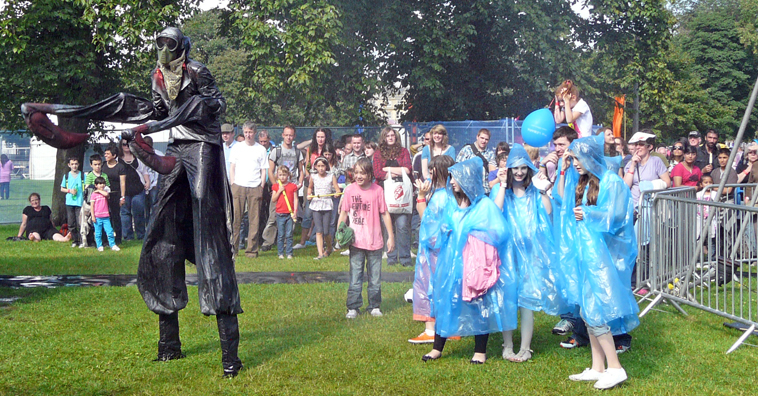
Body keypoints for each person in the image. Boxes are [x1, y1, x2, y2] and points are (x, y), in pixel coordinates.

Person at [556, 135, 639, 390]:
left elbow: (616, 217)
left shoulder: (612, 182)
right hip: (589, 253)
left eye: (578, 158)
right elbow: (562, 200)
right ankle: (597, 367)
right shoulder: (588, 180)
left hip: (605, 257)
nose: (576, 163)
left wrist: (589, 214)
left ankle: (615, 367)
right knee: (587, 310)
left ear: (591, 156)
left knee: (595, 311)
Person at [421, 157, 517, 364]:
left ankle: (480, 351)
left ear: (467, 179)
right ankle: (437, 347)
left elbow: (500, 232)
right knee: (446, 301)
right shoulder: (451, 205)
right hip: (451, 265)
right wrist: (443, 230)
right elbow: (435, 229)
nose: (452, 181)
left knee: (479, 304)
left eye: (455, 178)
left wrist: (475, 233)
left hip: (475, 266)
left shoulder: (484, 206)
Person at [492, 144, 566, 363]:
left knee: (527, 300)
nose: (519, 172)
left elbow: (548, 211)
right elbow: (495, 212)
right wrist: (502, 184)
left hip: (530, 254)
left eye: (523, 168)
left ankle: (525, 348)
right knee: (507, 298)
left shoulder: (534, 192)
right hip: (507, 254)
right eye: (515, 168)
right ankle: (508, 345)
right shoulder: (503, 192)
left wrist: (543, 190)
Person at [409, 154, 458, 344]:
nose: (428, 174)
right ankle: (448, 326)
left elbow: (427, 222)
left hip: (434, 252)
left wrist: (420, 197)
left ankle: (432, 329)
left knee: (430, 287)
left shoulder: (441, 197)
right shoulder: (448, 195)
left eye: (431, 170)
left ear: (438, 172)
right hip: (443, 250)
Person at [338, 158, 395, 318]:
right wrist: (339, 233)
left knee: (375, 278)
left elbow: (384, 213)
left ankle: (374, 305)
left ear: (370, 174)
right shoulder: (349, 190)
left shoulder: (378, 191)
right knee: (355, 276)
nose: (359, 176)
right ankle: (353, 307)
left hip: (375, 241)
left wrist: (390, 236)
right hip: (355, 242)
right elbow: (344, 213)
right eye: (356, 173)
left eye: (362, 173)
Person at [373, 126, 413, 267]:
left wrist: (388, 170)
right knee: (387, 225)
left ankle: (405, 258)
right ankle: (391, 257)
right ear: (384, 138)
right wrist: (398, 171)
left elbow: (408, 170)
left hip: (401, 195)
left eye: (392, 135)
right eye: (387, 135)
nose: (390, 138)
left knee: (402, 225)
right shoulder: (378, 154)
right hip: (384, 193)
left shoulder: (403, 152)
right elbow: (377, 173)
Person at [261, 125, 305, 251]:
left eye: (291, 135)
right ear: (283, 135)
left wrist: (299, 183)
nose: (288, 137)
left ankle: (286, 242)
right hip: (279, 190)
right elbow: (270, 170)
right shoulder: (277, 151)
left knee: (291, 216)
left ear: (294, 136)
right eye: (286, 135)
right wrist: (276, 186)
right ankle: (268, 241)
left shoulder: (297, 152)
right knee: (273, 216)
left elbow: (301, 171)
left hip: (291, 190)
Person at [230, 121, 269, 258]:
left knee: (254, 220)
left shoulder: (261, 149)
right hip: (238, 185)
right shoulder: (237, 147)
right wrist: (233, 183)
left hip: (255, 186)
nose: (248, 135)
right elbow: (232, 167)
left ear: (255, 133)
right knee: (236, 219)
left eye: (250, 132)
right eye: (246, 132)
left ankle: (252, 250)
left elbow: (264, 169)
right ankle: (233, 248)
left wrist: (261, 185)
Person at [294, 128, 332, 250]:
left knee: (323, 213)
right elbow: (306, 165)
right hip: (310, 183)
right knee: (308, 213)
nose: (320, 139)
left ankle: (322, 240)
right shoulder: (311, 150)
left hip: (324, 184)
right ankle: (302, 241)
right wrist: (308, 175)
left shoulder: (328, 149)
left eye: (322, 137)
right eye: (318, 137)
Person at [623, 131, 671, 208]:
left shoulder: (656, 161)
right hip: (633, 206)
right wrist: (633, 165)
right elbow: (626, 186)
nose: (638, 147)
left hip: (651, 206)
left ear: (649, 147)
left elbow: (667, 183)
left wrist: (650, 186)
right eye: (636, 144)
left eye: (641, 144)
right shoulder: (630, 163)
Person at [308, 156, 341, 259]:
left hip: (326, 204)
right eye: (319, 166)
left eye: (323, 166)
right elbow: (310, 187)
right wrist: (309, 194)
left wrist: (336, 193)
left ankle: (329, 247)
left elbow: (337, 189)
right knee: (319, 230)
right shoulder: (313, 177)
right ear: (316, 167)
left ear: (326, 166)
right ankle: (320, 253)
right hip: (316, 203)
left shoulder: (331, 176)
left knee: (326, 231)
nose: (321, 168)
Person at [119, 139, 151, 240]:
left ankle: (141, 235)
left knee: (139, 212)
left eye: (128, 144)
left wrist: (147, 182)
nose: (126, 146)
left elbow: (144, 171)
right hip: (124, 192)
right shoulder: (118, 160)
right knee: (125, 213)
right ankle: (128, 236)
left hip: (138, 190)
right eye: (124, 144)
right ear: (121, 146)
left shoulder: (138, 158)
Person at [456, 128, 497, 194]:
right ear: (477, 137)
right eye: (482, 138)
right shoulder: (466, 150)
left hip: (485, 190)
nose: (484, 141)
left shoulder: (491, 154)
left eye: (486, 139)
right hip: (469, 191)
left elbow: (492, 173)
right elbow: (457, 168)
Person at [101, 144, 126, 245]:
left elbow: (123, 182)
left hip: (115, 194)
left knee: (116, 217)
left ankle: (118, 239)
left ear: (114, 155)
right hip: (104, 195)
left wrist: (122, 197)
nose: (105, 155)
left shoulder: (120, 167)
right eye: (105, 153)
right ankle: (104, 239)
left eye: (108, 154)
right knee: (104, 217)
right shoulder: (103, 165)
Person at [271, 166, 299, 259]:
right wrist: (279, 191)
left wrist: (295, 211)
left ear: (288, 175)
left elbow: (295, 199)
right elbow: (273, 199)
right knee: (281, 234)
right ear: (277, 176)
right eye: (280, 175)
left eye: (284, 175)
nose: (282, 177)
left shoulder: (292, 186)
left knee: (289, 234)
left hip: (289, 214)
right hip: (280, 213)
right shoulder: (276, 186)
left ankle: (289, 253)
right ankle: (280, 253)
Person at [90, 177, 120, 252]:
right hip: (97, 217)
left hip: (106, 216)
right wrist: (93, 216)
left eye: (103, 183)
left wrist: (99, 191)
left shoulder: (105, 192)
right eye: (99, 184)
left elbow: (106, 194)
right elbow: (92, 206)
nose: (102, 185)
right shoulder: (93, 194)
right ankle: (99, 246)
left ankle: (112, 244)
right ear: (96, 185)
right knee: (98, 233)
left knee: (110, 231)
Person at [60, 157, 84, 247]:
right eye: (72, 164)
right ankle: (75, 240)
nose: (74, 166)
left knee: (80, 222)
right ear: (69, 165)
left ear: (78, 164)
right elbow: (62, 188)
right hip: (69, 203)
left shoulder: (82, 175)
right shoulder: (66, 176)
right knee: (71, 223)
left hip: (79, 202)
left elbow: (86, 186)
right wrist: (70, 191)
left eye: (76, 164)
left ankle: (82, 240)